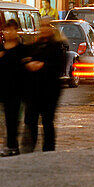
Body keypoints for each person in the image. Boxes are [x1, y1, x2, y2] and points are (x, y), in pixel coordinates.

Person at [22, 19, 68, 152]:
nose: (44, 28)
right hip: (34, 90)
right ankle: (29, 147)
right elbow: (25, 60)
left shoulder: (57, 46)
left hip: (50, 91)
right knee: (30, 120)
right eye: (42, 25)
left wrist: (42, 65)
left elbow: (58, 67)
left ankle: (48, 149)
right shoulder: (34, 45)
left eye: (47, 26)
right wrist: (29, 64)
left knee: (47, 121)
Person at [0, 19, 30, 157]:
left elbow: (24, 69)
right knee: (7, 119)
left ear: (16, 30)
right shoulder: (2, 47)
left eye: (11, 29)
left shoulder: (22, 49)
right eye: (6, 30)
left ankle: (13, 146)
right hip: (3, 89)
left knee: (13, 118)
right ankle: (10, 145)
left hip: (17, 89)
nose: (8, 33)